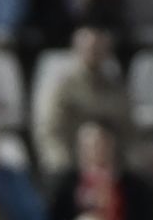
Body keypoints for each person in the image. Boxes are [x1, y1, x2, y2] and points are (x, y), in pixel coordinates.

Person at [32, 20, 131, 175]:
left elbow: (128, 130)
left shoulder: (116, 87)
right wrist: (64, 168)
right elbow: (49, 132)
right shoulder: (61, 86)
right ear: (77, 49)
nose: (94, 53)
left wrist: (129, 166)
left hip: (112, 168)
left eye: (98, 48)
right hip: (71, 166)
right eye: (89, 48)